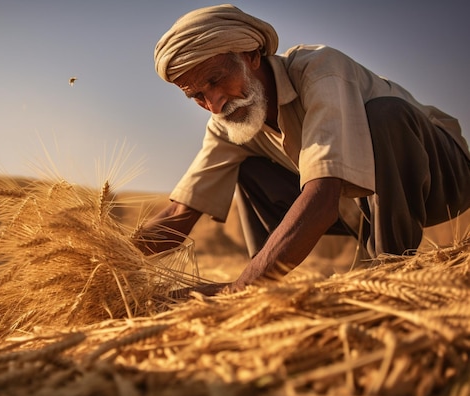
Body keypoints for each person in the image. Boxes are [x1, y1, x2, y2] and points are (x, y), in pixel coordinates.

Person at [135, 4, 470, 293]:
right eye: (196, 96)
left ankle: (392, 271)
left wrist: (239, 287)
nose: (214, 103)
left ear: (251, 55)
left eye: (215, 80)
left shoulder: (319, 71)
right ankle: (264, 282)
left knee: (385, 115)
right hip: (360, 207)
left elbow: (323, 196)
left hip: (443, 179)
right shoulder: (228, 122)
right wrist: (106, 258)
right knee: (249, 168)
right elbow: (181, 213)